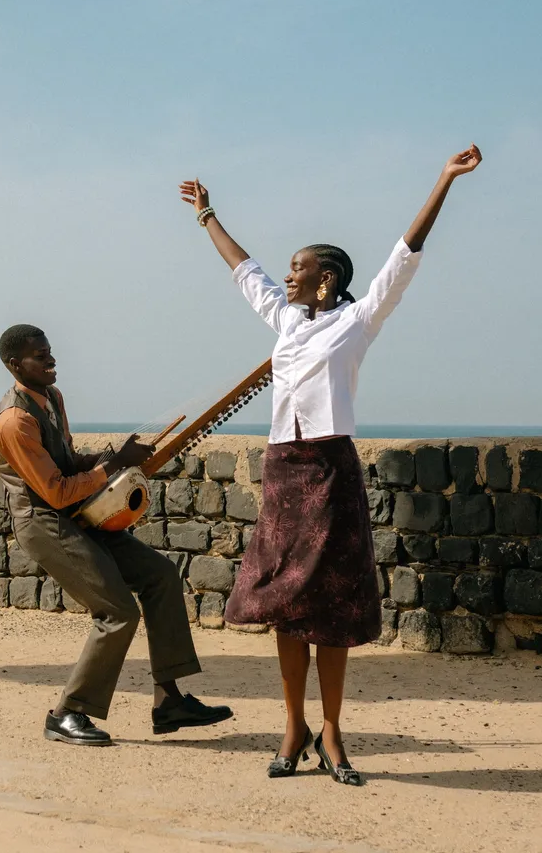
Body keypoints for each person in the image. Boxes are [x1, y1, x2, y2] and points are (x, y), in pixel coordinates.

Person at [179, 145, 482, 786]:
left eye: (299, 267)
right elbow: (245, 271)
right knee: (288, 605)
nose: (287, 276)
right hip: (284, 471)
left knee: (335, 609)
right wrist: (207, 215)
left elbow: (405, 256)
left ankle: (334, 734)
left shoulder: (359, 320)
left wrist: (444, 180)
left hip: (333, 468)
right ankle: (293, 728)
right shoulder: (286, 321)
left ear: (328, 277)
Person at [0, 325, 234, 745]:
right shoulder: (14, 421)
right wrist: (115, 461)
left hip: (79, 513)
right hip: (46, 525)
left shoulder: (51, 400)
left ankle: (168, 701)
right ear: (15, 365)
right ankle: (67, 714)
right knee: (117, 612)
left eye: (49, 352)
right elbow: (56, 490)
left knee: (161, 576)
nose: (51, 360)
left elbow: (66, 461)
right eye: (38, 356)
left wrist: (108, 457)